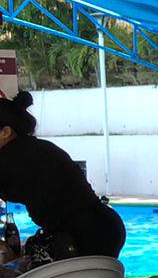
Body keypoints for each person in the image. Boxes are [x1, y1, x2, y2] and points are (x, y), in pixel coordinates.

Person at [0, 92, 124, 263]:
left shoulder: (11, 157)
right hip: (103, 226)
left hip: (81, 236)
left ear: (5, 132)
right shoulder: (37, 147)